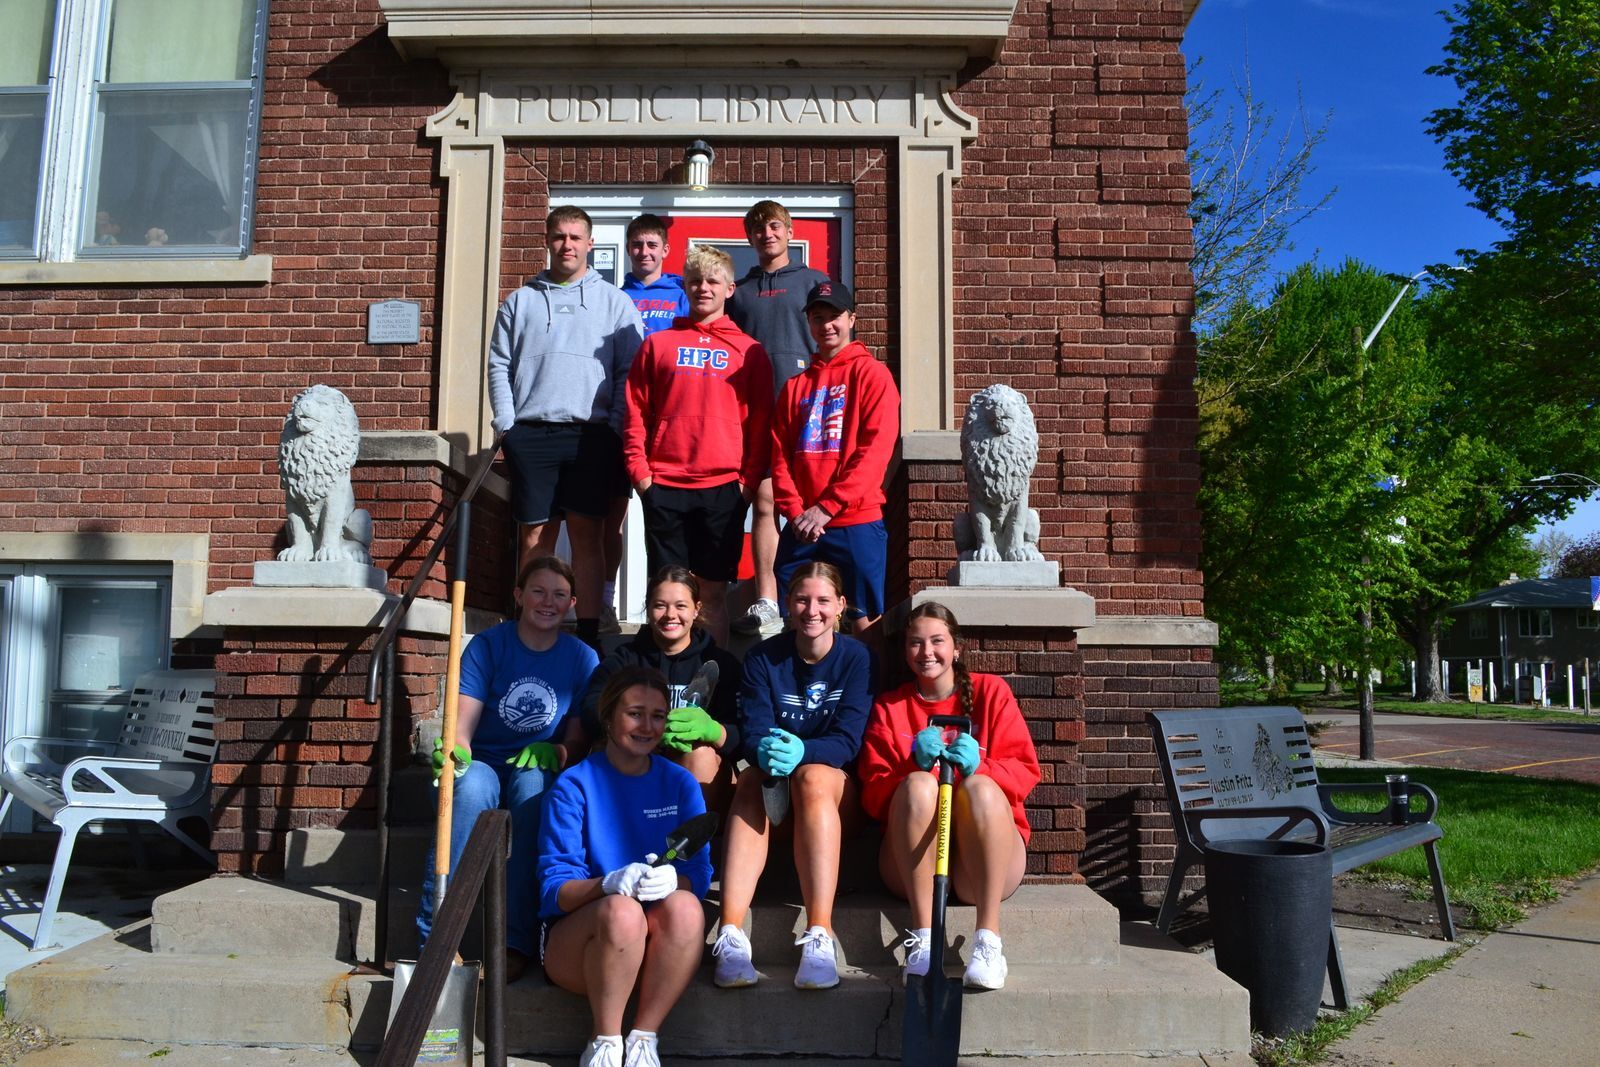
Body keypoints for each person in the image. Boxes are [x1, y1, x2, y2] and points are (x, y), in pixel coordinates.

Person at [419, 555, 599, 982]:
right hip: (482, 761)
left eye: (559, 595)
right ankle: (436, 937)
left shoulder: (582, 658)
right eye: (538, 591)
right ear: (519, 596)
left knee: (535, 787)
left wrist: (556, 752)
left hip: (535, 767)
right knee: (473, 787)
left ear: (572, 602)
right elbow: (461, 729)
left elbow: (578, 740)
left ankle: (515, 941)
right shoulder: (488, 646)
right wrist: (455, 753)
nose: (548, 602)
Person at [857, 602, 1040, 990]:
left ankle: (988, 940)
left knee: (979, 787)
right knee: (920, 784)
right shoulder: (890, 708)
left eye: (937, 641)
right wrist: (913, 768)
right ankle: (923, 940)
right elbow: (871, 798)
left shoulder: (992, 692)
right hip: (912, 866)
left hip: (984, 868)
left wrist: (981, 768)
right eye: (915, 643)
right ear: (904, 651)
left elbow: (1026, 773)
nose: (927, 653)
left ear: (956, 647)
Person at [538, 665, 714, 1067]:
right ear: (608, 716)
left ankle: (643, 1038)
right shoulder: (574, 784)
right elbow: (553, 890)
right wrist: (608, 883)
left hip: (655, 945)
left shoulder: (680, 783)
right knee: (622, 911)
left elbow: (700, 873)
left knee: (687, 907)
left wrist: (676, 880)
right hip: (581, 943)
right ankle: (605, 1041)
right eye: (635, 713)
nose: (647, 726)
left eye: (657, 716)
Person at [488, 204, 644, 651]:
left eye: (576, 237)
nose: (568, 245)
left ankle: (590, 637)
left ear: (590, 244)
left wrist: (614, 428)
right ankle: (531, 631)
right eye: (560, 237)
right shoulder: (520, 301)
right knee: (536, 537)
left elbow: (628, 372)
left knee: (587, 537)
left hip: (590, 436)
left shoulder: (615, 302)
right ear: (548, 241)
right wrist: (507, 422)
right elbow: (499, 364)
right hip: (531, 433)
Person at [712, 562, 874, 991]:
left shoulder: (856, 657)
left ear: (840, 606)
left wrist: (805, 752)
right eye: (802, 599)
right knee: (748, 779)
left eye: (823, 600)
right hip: (773, 798)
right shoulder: (764, 657)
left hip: (834, 801)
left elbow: (849, 740)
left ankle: (820, 932)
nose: (811, 610)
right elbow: (754, 728)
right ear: (787, 603)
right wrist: (761, 746)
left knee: (814, 778)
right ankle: (730, 932)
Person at [623, 245, 773, 641]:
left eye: (712, 281)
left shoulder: (750, 351)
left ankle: (713, 689)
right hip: (665, 484)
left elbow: (761, 422)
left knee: (712, 594)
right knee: (667, 593)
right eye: (695, 281)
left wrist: (748, 482)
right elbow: (635, 411)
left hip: (723, 487)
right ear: (684, 287)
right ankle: (663, 688)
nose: (703, 288)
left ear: (729, 289)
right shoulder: (658, 345)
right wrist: (641, 474)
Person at [769, 280, 900, 640]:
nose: (826, 325)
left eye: (834, 316)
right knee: (796, 618)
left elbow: (874, 452)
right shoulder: (795, 387)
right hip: (802, 525)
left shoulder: (873, 375)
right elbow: (779, 454)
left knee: (864, 621)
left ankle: (865, 696)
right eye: (817, 317)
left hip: (855, 520)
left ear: (851, 319)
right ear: (808, 323)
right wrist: (794, 511)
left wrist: (826, 507)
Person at [727, 200, 830, 637]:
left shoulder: (813, 282)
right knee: (766, 504)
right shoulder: (742, 291)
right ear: (749, 238)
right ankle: (768, 600)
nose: (766, 235)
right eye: (757, 229)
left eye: (773, 227)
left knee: (809, 503)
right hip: (755, 411)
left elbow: (835, 341)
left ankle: (817, 593)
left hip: (809, 409)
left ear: (788, 232)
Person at [578, 565, 744, 810]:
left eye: (680, 606)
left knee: (702, 755)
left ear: (697, 609)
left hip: (698, 768)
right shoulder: (626, 659)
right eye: (660, 605)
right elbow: (592, 708)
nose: (670, 614)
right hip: (639, 757)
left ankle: (688, 844)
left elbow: (744, 735)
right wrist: (634, 725)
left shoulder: (721, 663)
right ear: (648, 608)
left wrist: (714, 730)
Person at [599, 213, 691, 634]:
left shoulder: (682, 295)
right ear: (628, 248)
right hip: (624, 415)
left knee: (673, 517)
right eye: (637, 245)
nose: (644, 252)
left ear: (665, 250)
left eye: (652, 245)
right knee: (612, 513)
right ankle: (604, 595)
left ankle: (681, 602)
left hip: (671, 419)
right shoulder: (615, 297)